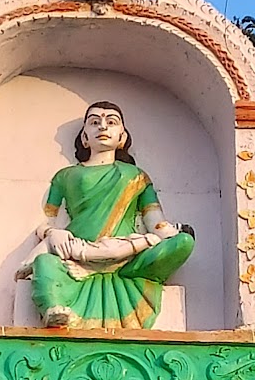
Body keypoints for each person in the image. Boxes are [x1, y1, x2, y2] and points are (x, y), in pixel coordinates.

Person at [19, 101, 195, 330]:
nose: (102, 126)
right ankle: (54, 307)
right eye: (94, 122)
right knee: (44, 263)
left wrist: (173, 234)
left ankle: (115, 267)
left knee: (183, 243)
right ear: (84, 137)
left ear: (122, 136)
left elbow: (156, 223)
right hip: (77, 254)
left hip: (127, 259)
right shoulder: (66, 176)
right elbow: (46, 221)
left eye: (111, 122)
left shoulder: (135, 176)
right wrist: (52, 233)